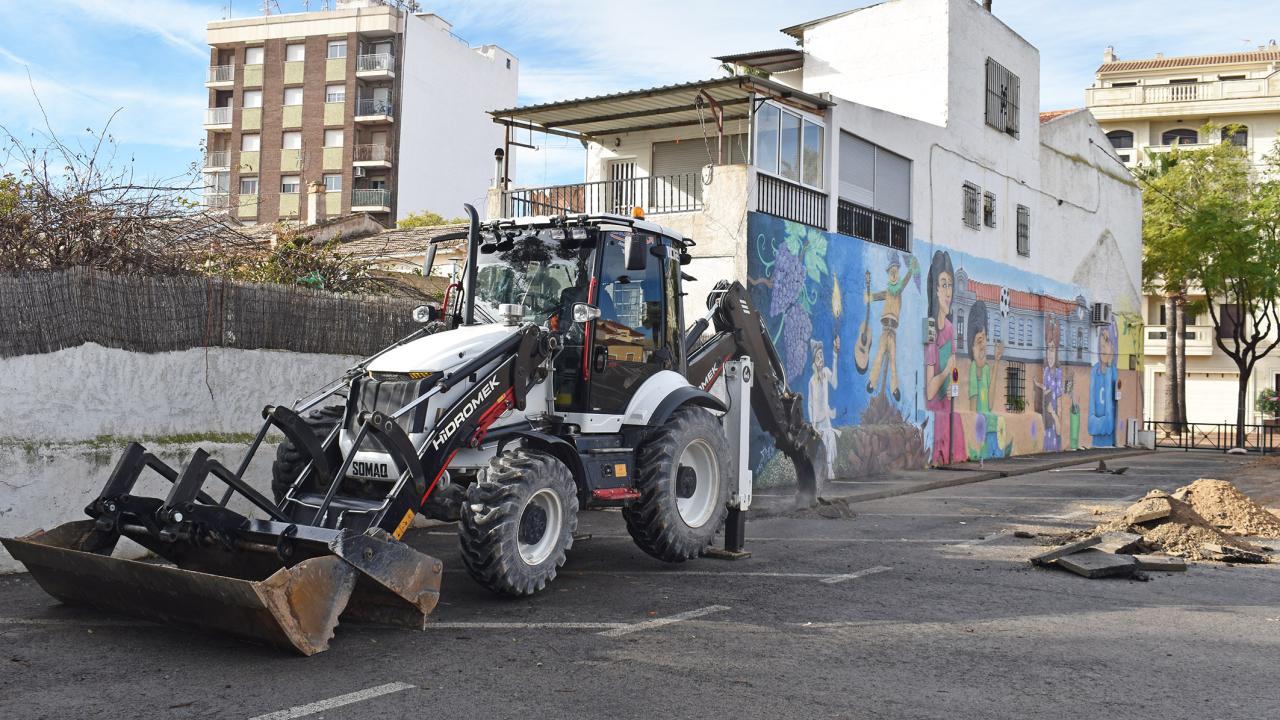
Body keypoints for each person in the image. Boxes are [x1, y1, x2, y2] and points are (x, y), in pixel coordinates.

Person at [925, 251, 967, 465]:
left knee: (955, 420)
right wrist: (944, 373)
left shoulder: (950, 329)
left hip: (948, 406)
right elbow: (930, 390)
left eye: (950, 285)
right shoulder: (931, 329)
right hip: (935, 411)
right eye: (944, 284)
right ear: (935, 290)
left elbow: (953, 372)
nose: (948, 291)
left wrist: (952, 387)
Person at [865, 254, 918, 401]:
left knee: (893, 361)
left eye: (895, 271)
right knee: (879, 356)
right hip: (884, 331)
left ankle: (895, 388)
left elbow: (904, 282)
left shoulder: (898, 290)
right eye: (891, 272)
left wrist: (910, 271)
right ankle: (872, 382)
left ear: (898, 273)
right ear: (888, 274)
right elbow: (877, 296)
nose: (893, 274)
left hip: (892, 332)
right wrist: (869, 296)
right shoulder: (888, 292)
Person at [965, 300, 1011, 460]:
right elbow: (973, 414)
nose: (984, 345)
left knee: (998, 422)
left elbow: (990, 404)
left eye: (984, 338)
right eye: (979, 341)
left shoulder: (985, 369)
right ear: (971, 346)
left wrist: (997, 361)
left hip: (988, 426)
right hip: (979, 432)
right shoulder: (973, 369)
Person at [808, 337, 841, 478]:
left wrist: (835, 356)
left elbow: (835, 383)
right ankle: (816, 472)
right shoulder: (812, 381)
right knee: (818, 447)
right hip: (817, 421)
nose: (820, 359)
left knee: (830, 441)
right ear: (814, 362)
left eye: (821, 355)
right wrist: (812, 424)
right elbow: (810, 404)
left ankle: (830, 469)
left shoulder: (826, 372)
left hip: (826, 418)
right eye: (817, 357)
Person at [1034, 317, 1065, 452]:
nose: (1050, 354)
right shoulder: (1045, 370)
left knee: (1053, 440)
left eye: (1052, 349)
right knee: (1046, 442)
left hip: (1053, 418)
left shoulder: (1058, 373)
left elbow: (1059, 402)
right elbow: (1047, 389)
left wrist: (1054, 413)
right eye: (1048, 349)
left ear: (1057, 351)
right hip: (1046, 419)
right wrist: (1038, 384)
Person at [1088, 320, 1119, 447]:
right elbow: (1090, 424)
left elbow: (1109, 424)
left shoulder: (1113, 372)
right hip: (1095, 442)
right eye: (1101, 343)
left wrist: (1109, 371)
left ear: (1114, 347)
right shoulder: (1094, 371)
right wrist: (1102, 423)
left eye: (1107, 341)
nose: (1103, 347)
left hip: (1109, 441)